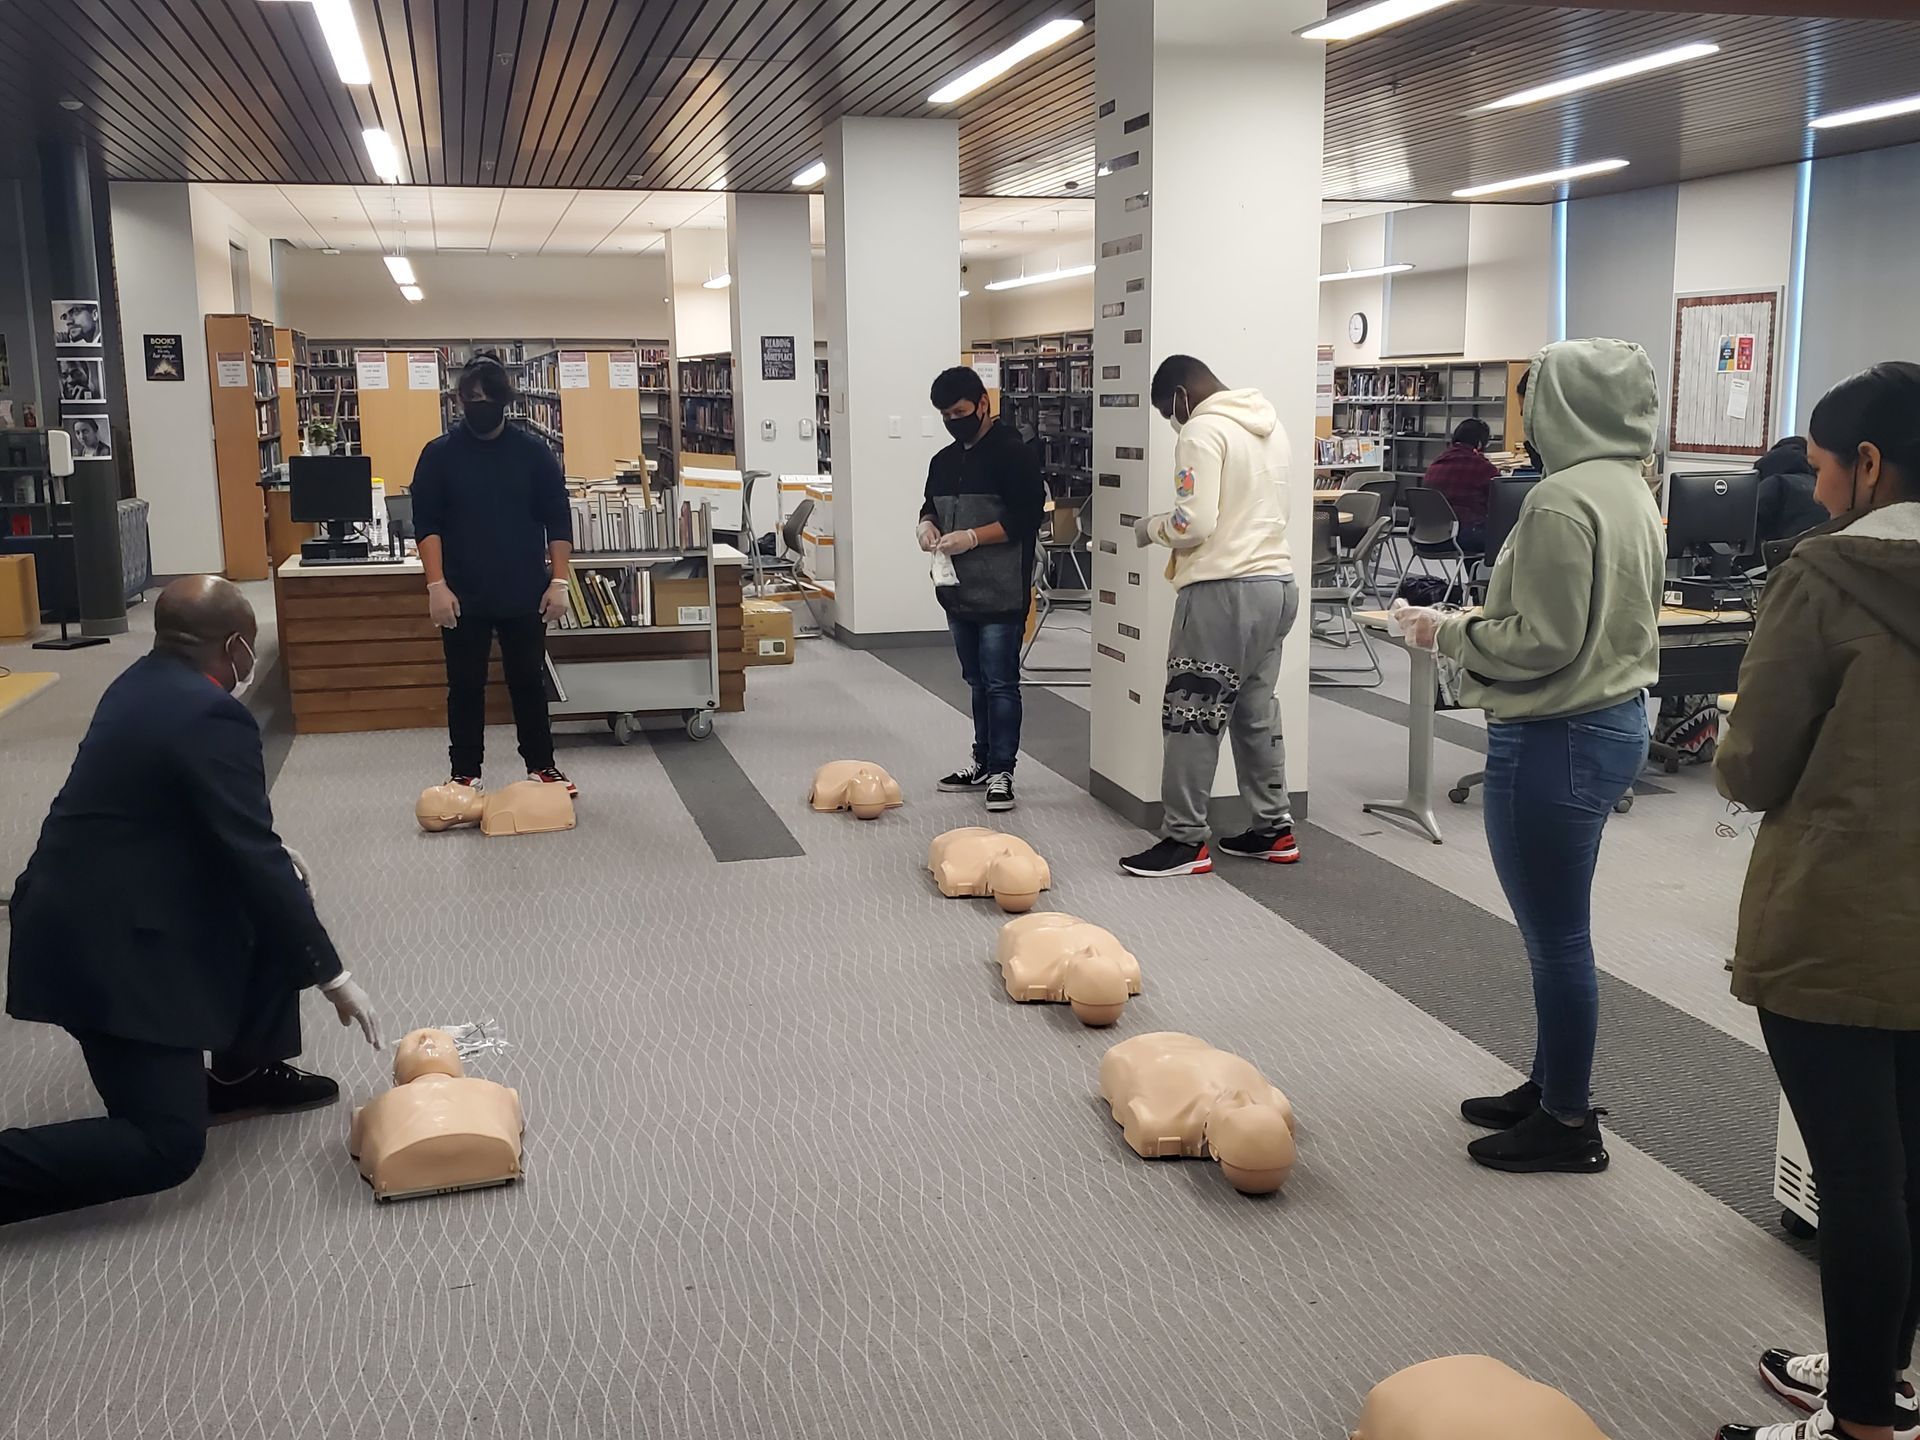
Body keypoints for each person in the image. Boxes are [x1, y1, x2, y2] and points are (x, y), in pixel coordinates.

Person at [2, 576, 380, 1227]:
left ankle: (241, 1075)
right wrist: (334, 975)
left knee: (276, 884)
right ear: (233, 645)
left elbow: (215, 829)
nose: (247, 665)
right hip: (102, 948)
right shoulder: (211, 713)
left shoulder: (141, 682)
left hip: (96, 903)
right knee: (166, 1146)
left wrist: (274, 869)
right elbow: (251, 856)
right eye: (249, 650)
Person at [1393, 338, 1665, 1174]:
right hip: (1611, 722)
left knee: (1557, 939)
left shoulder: (1557, 501)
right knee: (1560, 928)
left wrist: (1447, 631)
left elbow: (1542, 641)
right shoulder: (1633, 490)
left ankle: (1569, 1121)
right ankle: (1550, 1086)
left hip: (1558, 734)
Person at [1711, 363, 1920, 1440]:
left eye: (1826, 467)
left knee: (1857, 1179)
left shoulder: (1823, 579)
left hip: (1842, 919)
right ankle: (1885, 1378)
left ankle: (1859, 1426)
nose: (1817, 488)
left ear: (1870, 465)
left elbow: (1752, 766)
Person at [1120, 354, 1298, 878]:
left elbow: (1192, 522)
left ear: (1181, 395)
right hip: (1277, 586)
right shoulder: (1269, 424)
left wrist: (1150, 528)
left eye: (1168, 412)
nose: (1172, 423)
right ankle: (1273, 827)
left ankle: (1184, 838)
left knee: (1190, 715)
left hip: (1223, 591)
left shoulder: (1201, 429)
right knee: (1254, 710)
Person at [411, 356, 576, 795]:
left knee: (527, 682)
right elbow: (426, 522)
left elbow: (557, 519)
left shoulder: (533, 452)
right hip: (462, 593)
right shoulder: (438, 455)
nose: (479, 406)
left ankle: (542, 765)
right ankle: (464, 772)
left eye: (487, 398)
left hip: (524, 589)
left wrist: (559, 581)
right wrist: (435, 584)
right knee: (465, 685)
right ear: (460, 401)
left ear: (504, 401)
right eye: (471, 399)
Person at [918, 365, 1046, 813]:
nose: (954, 421)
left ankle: (1003, 770)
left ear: (983, 404)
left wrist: (973, 536)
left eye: (960, 411)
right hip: (956, 590)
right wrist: (926, 525)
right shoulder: (944, 461)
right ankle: (982, 761)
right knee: (975, 680)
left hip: (1001, 590)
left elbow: (1026, 517)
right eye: (945, 415)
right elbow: (929, 505)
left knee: (1000, 682)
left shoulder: (1014, 453)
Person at [1421, 417, 1499, 555]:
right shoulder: (1483, 468)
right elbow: (1500, 501)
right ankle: (1481, 576)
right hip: (1460, 538)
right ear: (1480, 444)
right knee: (1505, 532)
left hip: (1423, 537)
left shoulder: (1436, 463)